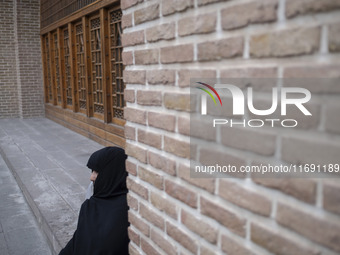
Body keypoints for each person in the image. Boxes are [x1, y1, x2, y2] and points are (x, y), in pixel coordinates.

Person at [59, 146, 130, 255]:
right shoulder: (91, 205)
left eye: (97, 171)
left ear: (112, 172)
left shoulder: (127, 212)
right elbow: (78, 240)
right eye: (92, 171)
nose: (92, 177)